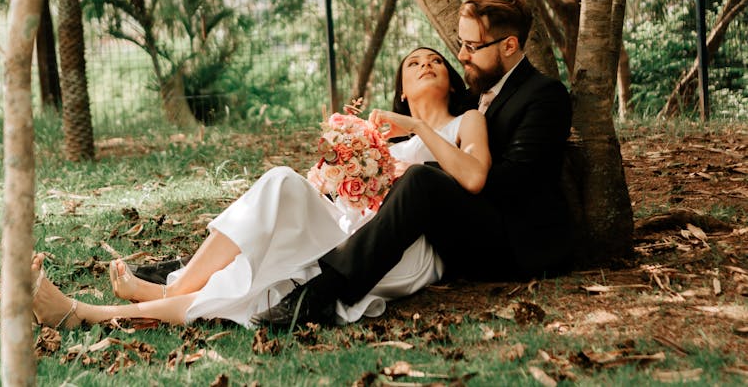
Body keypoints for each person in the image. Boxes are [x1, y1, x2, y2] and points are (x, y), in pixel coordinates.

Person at [30, 47, 490, 329]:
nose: (426, 64)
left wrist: (416, 129)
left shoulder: (466, 122)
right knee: (282, 182)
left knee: (257, 287)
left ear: (451, 79)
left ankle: (87, 312)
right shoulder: (383, 137)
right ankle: (173, 290)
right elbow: (340, 192)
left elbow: (473, 176)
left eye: (435, 60)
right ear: (403, 90)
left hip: (396, 252)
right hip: (350, 225)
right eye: (413, 62)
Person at [253, 0, 573, 327]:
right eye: (461, 43)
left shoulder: (544, 95)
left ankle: (321, 296)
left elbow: (513, 183)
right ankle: (275, 269)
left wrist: (427, 168)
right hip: (460, 232)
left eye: (472, 46)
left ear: (509, 46)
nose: (461, 56)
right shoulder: (477, 92)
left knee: (420, 179)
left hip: (518, 245)